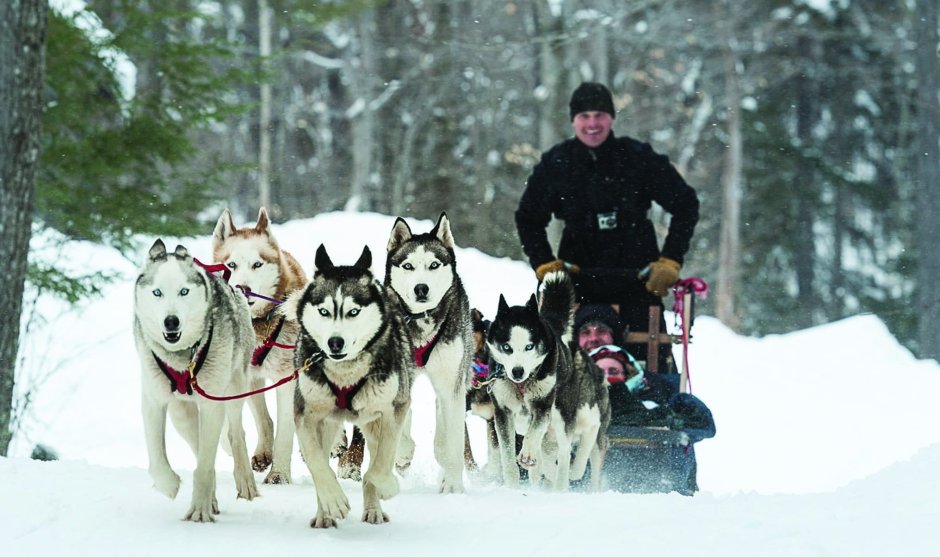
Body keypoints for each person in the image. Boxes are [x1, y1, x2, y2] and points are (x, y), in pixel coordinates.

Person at [516, 82, 700, 372]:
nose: (592, 124)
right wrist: (543, 264)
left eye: (599, 115)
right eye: (584, 116)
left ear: (611, 118)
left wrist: (671, 260)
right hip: (576, 284)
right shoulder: (557, 163)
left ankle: (655, 414)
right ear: (573, 120)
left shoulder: (638, 158)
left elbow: (686, 203)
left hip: (638, 281)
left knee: (650, 367)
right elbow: (528, 218)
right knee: (566, 366)